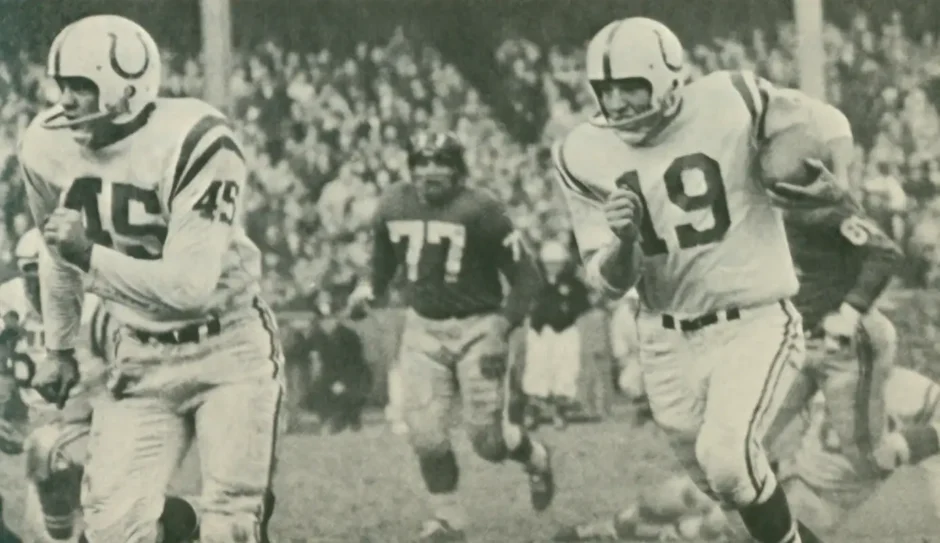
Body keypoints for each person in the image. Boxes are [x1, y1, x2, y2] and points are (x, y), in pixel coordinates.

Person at [552, 16, 856, 543]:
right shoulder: (580, 152)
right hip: (665, 337)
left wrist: (841, 179)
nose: (618, 102)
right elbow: (607, 282)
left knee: (728, 461)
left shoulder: (728, 97)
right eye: (606, 90)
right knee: (723, 484)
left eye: (630, 86)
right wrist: (623, 240)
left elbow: (827, 122)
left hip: (754, 318)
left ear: (667, 78)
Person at [18, 15, 281, 543]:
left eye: (82, 86)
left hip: (225, 346)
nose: (66, 100)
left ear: (125, 87)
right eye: (62, 85)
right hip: (135, 354)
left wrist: (87, 254)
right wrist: (61, 349)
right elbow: (56, 251)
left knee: (229, 521)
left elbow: (188, 288)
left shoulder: (196, 140)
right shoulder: (46, 146)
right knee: (113, 528)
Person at [347, 130, 553, 542]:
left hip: (479, 326)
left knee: (487, 443)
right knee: (425, 434)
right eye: (422, 163)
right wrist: (368, 289)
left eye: (441, 162)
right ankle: (448, 519)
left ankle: (535, 456)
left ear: (459, 171)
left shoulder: (482, 210)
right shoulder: (393, 204)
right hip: (423, 326)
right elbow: (383, 266)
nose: (430, 172)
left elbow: (528, 278)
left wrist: (500, 328)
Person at [551, 366, 940, 541]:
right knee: (681, 493)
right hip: (785, 476)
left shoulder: (914, 391)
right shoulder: (823, 373)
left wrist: (910, 445)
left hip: (816, 511)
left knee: (706, 530)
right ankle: (604, 532)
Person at [0, 229, 200, 543]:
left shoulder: (98, 307)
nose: (45, 291)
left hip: (99, 430)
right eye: (35, 279)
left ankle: (192, 518)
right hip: (52, 444)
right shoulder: (7, 302)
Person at [523, 240, 591, 429]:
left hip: (565, 331)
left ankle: (560, 412)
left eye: (557, 263)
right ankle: (533, 411)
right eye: (549, 263)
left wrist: (566, 313)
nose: (553, 267)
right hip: (540, 331)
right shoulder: (535, 281)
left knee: (564, 370)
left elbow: (582, 304)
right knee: (537, 369)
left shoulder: (572, 282)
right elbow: (527, 303)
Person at [309, 290, 371, 434]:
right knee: (319, 389)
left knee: (348, 394)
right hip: (331, 377)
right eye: (323, 320)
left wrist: (343, 381)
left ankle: (351, 419)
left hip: (354, 377)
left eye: (330, 319)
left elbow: (357, 365)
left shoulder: (349, 337)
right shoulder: (318, 336)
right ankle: (328, 420)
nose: (327, 323)